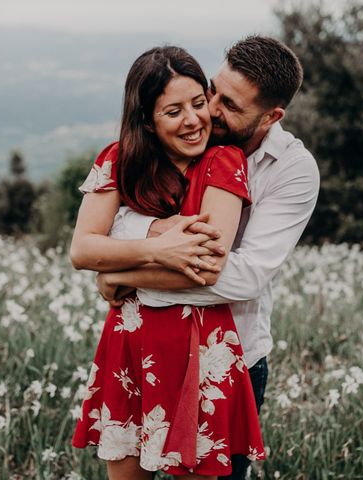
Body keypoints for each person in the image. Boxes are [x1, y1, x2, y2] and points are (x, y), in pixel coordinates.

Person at [95, 36, 320, 480]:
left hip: (228, 360)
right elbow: (111, 224)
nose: (209, 110)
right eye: (213, 91)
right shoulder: (175, 138)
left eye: (230, 105)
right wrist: (154, 238)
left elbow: (243, 276)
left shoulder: (293, 170)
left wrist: (124, 273)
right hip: (145, 350)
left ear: (271, 116)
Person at [70, 45, 266, 479]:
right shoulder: (117, 160)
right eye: (173, 111)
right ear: (147, 120)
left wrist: (116, 272)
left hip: (201, 350)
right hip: (130, 348)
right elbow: (82, 249)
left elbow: (206, 265)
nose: (194, 120)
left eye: (199, 103)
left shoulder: (224, 161)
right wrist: (159, 248)